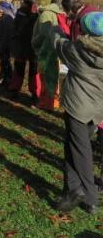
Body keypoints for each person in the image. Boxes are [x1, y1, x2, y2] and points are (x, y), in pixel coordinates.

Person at [49, 11, 103, 214]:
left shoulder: (78, 51)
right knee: (72, 146)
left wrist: (54, 27)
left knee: (81, 151)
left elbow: (59, 44)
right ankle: (72, 189)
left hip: (78, 108)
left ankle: (89, 197)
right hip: (96, 109)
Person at [31, 3, 69, 110]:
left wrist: (34, 42)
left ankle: (46, 104)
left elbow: (44, 33)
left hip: (46, 50)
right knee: (53, 76)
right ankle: (54, 102)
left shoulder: (46, 14)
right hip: (54, 49)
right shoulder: (55, 13)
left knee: (45, 77)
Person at [9, 0, 39, 100]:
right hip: (21, 44)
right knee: (19, 67)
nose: (20, 1)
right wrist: (15, 36)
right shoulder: (20, 12)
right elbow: (16, 26)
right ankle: (14, 89)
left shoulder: (36, 13)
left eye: (22, 0)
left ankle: (35, 92)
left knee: (34, 70)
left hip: (33, 45)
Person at [0, 1, 15, 87]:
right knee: (4, 63)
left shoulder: (7, 18)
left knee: (6, 63)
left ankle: (8, 80)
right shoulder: (4, 18)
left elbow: (6, 35)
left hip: (5, 46)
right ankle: (6, 79)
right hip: (2, 45)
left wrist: (2, 46)